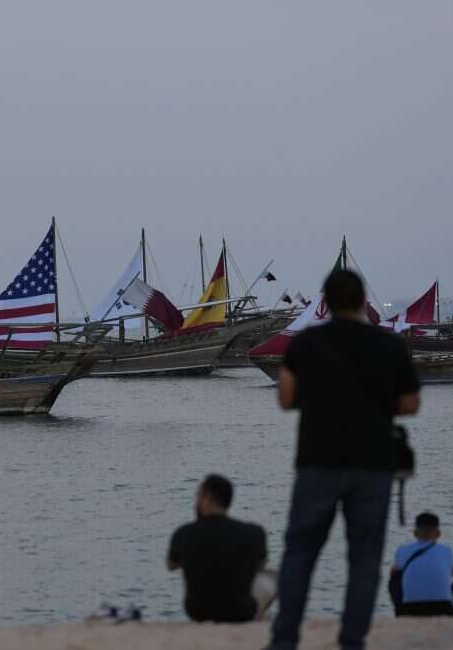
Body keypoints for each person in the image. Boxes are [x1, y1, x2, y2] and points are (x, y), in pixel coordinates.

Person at [269, 270, 421, 650]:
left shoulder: (306, 343)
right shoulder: (389, 345)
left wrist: (318, 400)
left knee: (300, 553)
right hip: (372, 464)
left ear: (327, 301)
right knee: (365, 558)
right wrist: (375, 404)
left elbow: (286, 398)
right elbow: (410, 404)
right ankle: (352, 640)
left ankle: (285, 639)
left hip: (317, 461)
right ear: (362, 299)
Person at [167, 474, 273, 623]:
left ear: (206, 498)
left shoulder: (183, 533)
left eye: (198, 496)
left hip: (196, 611)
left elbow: (171, 565)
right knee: (272, 577)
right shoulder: (254, 533)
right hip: (241, 611)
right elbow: (261, 566)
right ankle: (259, 620)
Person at [391, 512, 453, 617]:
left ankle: (399, 610)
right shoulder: (448, 550)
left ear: (415, 533)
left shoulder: (402, 550)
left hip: (410, 609)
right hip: (443, 608)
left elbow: (393, 573)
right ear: (438, 533)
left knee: (395, 576)